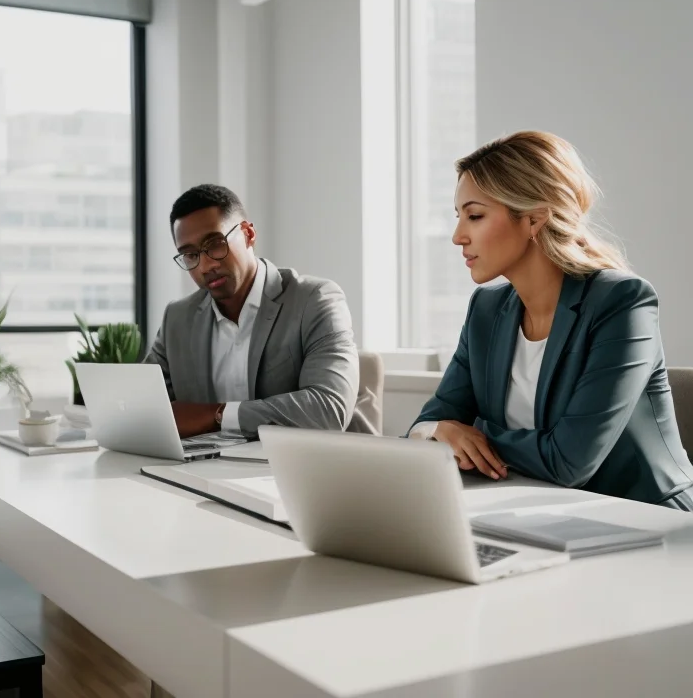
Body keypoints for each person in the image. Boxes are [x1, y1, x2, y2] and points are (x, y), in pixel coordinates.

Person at [409, 131, 693, 509]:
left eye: (475, 216)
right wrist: (438, 430)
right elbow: (429, 424)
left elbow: (569, 461)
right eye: (458, 216)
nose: (458, 236)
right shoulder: (486, 309)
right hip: (536, 514)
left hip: (649, 525)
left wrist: (463, 434)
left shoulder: (623, 303)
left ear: (533, 219)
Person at [145, 184, 363, 438]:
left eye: (215, 244)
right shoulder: (178, 319)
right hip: (205, 469)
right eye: (191, 255)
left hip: (303, 470)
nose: (205, 265)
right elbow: (145, 405)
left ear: (248, 234)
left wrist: (217, 415)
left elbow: (328, 410)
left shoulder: (315, 300)